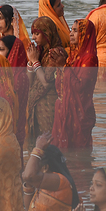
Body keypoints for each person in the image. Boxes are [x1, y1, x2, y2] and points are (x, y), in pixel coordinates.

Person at [21, 133, 80, 211]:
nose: (28, 165)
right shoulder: (44, 186)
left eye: (32, 162)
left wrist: (38, 149)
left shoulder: (61, 182)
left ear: (45, 167)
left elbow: (28, 175)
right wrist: (28, 184)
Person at [50, 19, 98, 149]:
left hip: (80, 112)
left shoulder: (90, 59)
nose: (71, 33)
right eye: (71, 30)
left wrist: (62, 67)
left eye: (76, 31)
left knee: (78, 154)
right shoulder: (72, 56)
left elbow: (80, 87)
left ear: (85, 34)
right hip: (63, 109)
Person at [26, 16, 66, 148]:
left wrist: (35, 61)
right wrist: (31, 62)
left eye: (37, 34)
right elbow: (30, 83)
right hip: (37, 106)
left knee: (48, 144)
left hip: (49, 106)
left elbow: (46, 82)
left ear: (47, 33)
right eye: (32, 34)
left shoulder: (56, 53)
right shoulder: (40, 53)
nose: (33, 38)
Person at [0, 35, 29, 148]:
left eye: (1, 50)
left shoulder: (19, 77)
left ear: (12, 52)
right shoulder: (3, 73)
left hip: (12, 129)